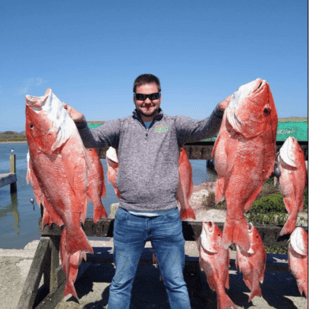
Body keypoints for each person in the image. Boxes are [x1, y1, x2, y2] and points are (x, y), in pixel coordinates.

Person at [64, 74, 231, 309]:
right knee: (121, 282)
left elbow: (204, 130)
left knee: (176, 283)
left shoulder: (174, 124)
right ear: (134, 98)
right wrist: (80, 121)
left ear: (160, 96)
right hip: (128, 218)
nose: (148, 101)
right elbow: (94, 140)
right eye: (142, 97)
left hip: (167, 218)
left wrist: (219, 110)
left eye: (153, 96)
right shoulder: (121, 125)